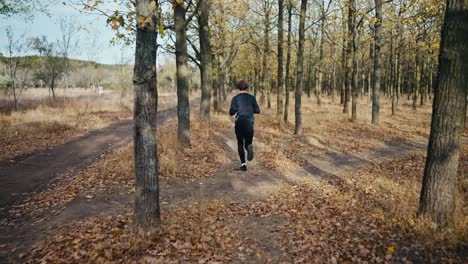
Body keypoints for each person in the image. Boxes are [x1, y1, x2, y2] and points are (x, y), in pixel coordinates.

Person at [229, 80, 260, 171]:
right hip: (249, 122)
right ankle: (249, 147)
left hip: (239, 122)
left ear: (238, 88)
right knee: (248, 142)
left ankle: (243, 165)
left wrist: (236, 109)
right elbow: (258, 110)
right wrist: (250, 110)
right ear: (247, 87)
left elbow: (231, 112)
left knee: (240, 143)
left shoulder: (235, 98)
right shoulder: (252, 98)